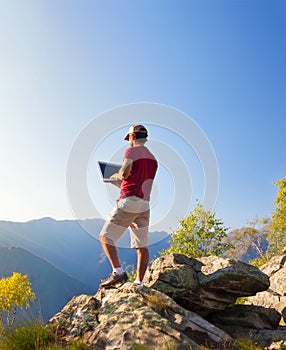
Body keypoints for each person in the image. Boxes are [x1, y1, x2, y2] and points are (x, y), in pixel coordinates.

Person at [99, 124, 158, 288]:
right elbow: (138, 182)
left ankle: (118, 272)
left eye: (129, 138)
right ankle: (139, 283)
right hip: (144, 205)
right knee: (141, 245)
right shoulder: (153, 160)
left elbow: (125, 173)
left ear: (132, 137)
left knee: (105, 237)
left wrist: (116, 176)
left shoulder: (131, 151)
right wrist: (121, 183)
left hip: (129, 201)